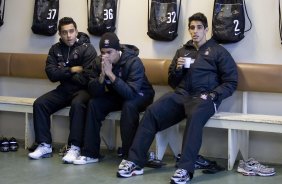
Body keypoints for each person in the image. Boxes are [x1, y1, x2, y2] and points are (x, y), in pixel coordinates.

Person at [116, 12, 238, 184]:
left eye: (199, 27)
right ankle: (136, 161)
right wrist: (178, 70)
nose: (195, 31)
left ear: (206, 30)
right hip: (181, 95)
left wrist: (214, 94)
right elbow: (172, 82)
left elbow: (231, 81)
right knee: (151, 112)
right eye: (192, 28)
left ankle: (185, 169)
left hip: (204, 97)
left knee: (195, 117)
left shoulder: (218, 51)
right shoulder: (182, 51)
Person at [72, 32, 155, 165]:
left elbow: (130, 93)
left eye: (109, 52)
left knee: (129, 106)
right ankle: (91, 153)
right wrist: (101, 77)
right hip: (118, 94)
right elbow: (94, 92)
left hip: (140, 94)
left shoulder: (133, 61)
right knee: (94, 104)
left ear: (118, 50)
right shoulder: (99, 62)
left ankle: (130, 156)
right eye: (102, 52)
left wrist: (111, 75)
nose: (105, 56)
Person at [28, 17, 97, 164]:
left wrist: (62, 71)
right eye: (65, 32)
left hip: (83, 91)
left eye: (72, 31)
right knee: (40, 104)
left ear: (76, 31)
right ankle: (44, 145)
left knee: (78, 105)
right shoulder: (55, 49)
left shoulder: (88, 49)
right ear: (60, 34)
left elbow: (86, 77)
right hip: (64, 89)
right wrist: (72, 70)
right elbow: (51, 75)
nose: (69, 35)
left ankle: (75, 147)